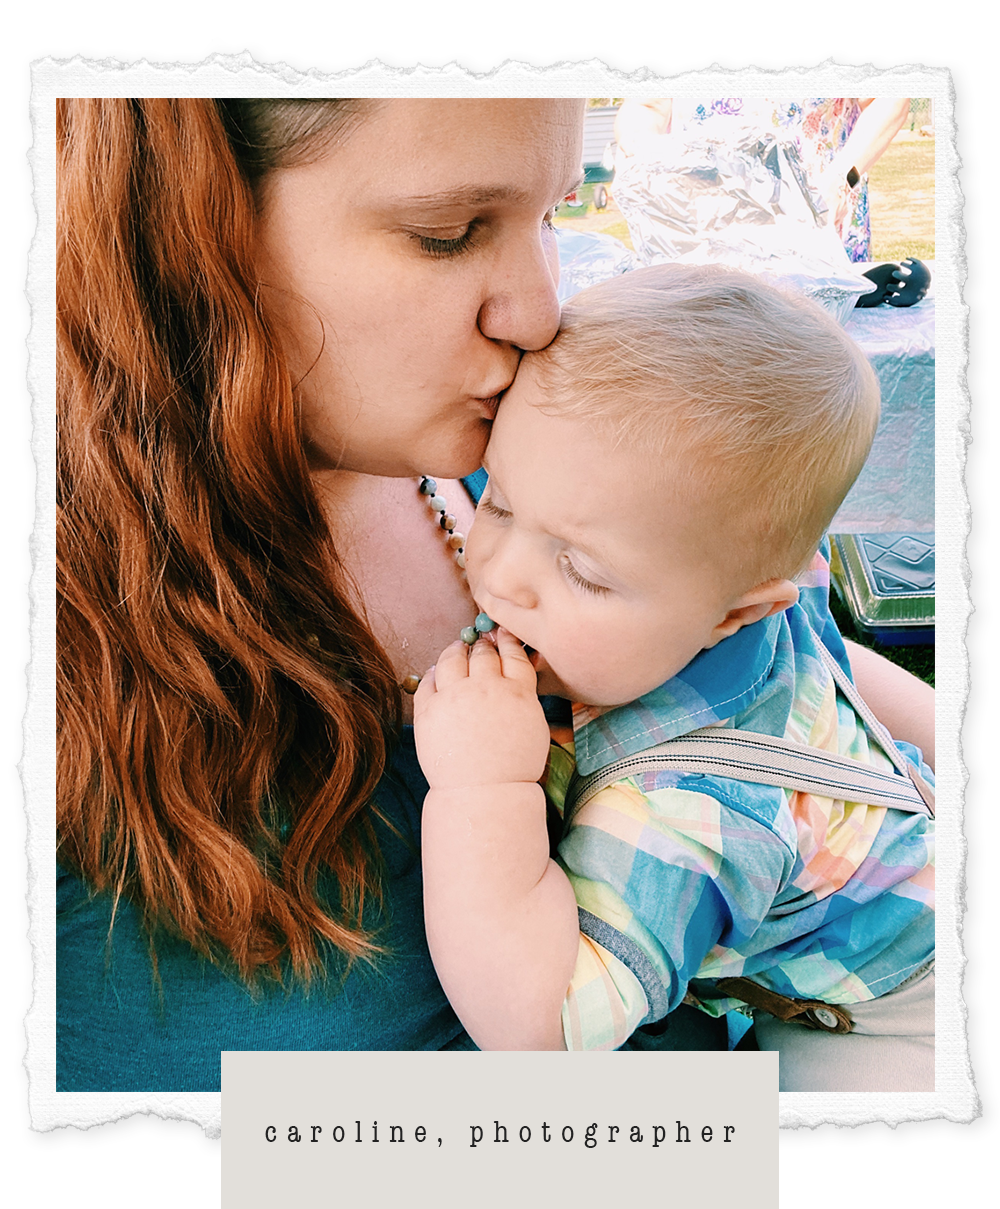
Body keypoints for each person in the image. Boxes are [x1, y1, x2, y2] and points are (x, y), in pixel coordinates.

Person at [56, 99, 933, 1090]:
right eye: (450, 233)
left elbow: (801, 673)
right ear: (181, 227)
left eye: (555, 213)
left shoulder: (519, 449)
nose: (541, 310)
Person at [413, 264, 935, 1090]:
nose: (504, 573)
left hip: (903, 1009)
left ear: (735, 612)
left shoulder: (692, 806)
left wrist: (481, 790)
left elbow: (539, 1021)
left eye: (582, 569)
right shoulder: (732, 581)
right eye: (503, 503)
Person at [614, 96, 911, 261]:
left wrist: (843, 180)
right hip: (706, 237)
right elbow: (645, 106)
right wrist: (650, 158)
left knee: (823, 359)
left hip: (820, 229)